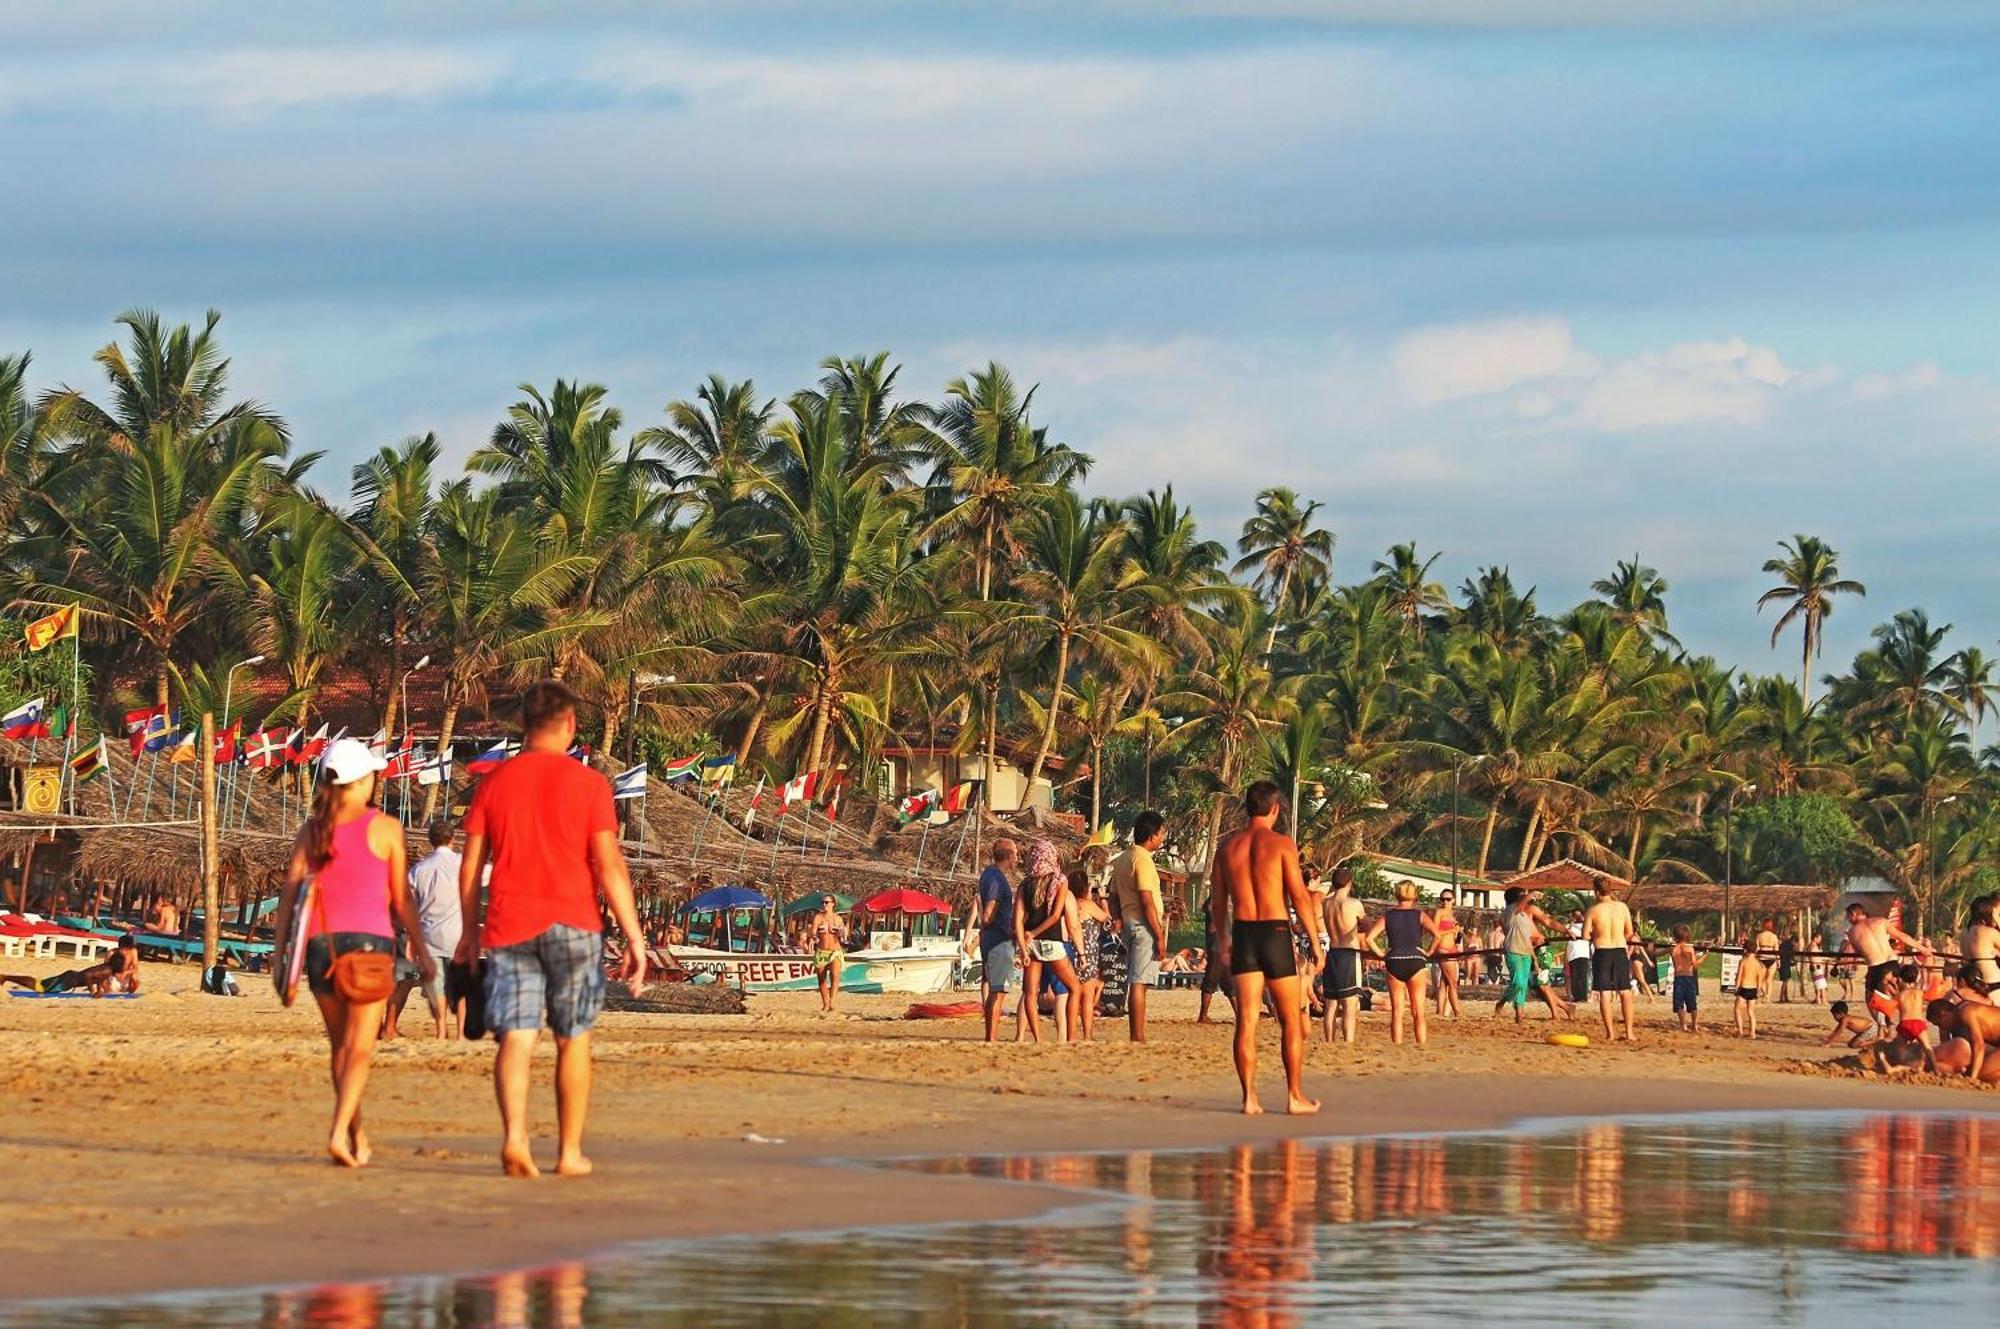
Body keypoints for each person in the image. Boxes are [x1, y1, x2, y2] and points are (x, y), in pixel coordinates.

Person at [454, 681, 647, 1180]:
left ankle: (516, 1137)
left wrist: (469, 932)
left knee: (516, 1037)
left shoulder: (493, 783)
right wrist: (634, 937)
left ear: (523, 725)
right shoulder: (590, 785)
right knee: (573, 1038)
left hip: (509, 924)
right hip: (574, 923)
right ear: (570, 726)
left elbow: (470, 866)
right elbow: (608, 866)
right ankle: (568, 1153)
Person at [273, 738, 433, 1168]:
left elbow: (290, 896)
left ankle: (355, 1133)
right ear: (363, 781)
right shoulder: (385, 828)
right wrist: (422, 949)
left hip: (320, 951)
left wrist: (279, 957)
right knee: (359, 1050)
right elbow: (401, 900)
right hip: (369, 950)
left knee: (340, 1049)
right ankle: (336, 1131)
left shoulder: (311, 830)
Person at [1210, 781, 1324, 1116]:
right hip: (1274, 932)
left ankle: (1249, 1099)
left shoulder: (1227, 848)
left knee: (1246, 1020)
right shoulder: (1282, 845)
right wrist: (1315, 941)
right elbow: (1300, 896)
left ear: (1248, 807)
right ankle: (1293, 1096)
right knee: (1290, 1019)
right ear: (1275, 809)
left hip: (1244, 933)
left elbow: (1218, 902)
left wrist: (1225, 941)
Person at [388, 817, 463, 1041]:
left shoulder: (419, 869)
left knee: (435, 986)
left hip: (428, 934)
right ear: (452, 839)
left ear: (431, 841)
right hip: (458, 933)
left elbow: (406, 900)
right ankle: (460, 1033)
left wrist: (409, 936)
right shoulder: (463, 864)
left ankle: (441, 1030)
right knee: (459, 984)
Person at [1109, 812, 1169, 1043]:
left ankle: (1137, 1033)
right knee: (1139, 981)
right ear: (1152, 835)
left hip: (1129, 923)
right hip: (1143, 925)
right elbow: (1146, 899)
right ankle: (1137, 1035)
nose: (1162, 837)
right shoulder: (1142, 859)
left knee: (1138, 979)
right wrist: (1159, 935)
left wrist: (1118, 918)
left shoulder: (1123, 858)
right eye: (1161, 833)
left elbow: (1113, 896)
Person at [1015, 839, 1082, 1044]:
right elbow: (1054, 916)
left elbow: (1017, 919)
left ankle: (1037, 1039)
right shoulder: (1059, 881)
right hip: (1051, 943)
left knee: (1030, 993)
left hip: (1031, 945)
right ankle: (1070, 1037)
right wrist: (1034, 933)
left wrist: (1023, 946)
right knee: (1074, 989)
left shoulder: (1025, 884)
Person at [1362, 882, 1437, 1046]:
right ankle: (1421, 1044)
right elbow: (1437, 935)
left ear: (1396, 895)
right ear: (1415, 895)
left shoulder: (1388, 915)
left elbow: (1369, 938)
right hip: (1415, 960)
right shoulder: (1420, 915)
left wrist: (1382, 953)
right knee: (1418, 1011)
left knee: (1397, 1010)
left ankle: (1397, 1045)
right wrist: (1429, 952)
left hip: (1394, 960)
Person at [1842, 901, 1931, 1018]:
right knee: (1900, 994)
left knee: (1870, 998)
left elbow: (1860, 952)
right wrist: (1922, 949)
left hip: (1876, 967)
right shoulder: (1881, 921)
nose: (1848, 920)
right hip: (1893, 963)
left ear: (1853, 914)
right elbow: (1902, 936)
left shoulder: (1852, 932)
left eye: (1848, 916)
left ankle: (1883, 1027)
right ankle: (1909, 1018)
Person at [1496, 887, 1570, 1022]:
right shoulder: (1512, 911)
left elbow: (1547, 922)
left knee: (1529, 984)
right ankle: (1504, 1001)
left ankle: (1520, 1013)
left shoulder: (1525, 914)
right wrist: (1532, 894)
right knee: (1520, 983)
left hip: (1532, 949)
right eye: (1523, 896)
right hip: (1515, 950)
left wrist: (1565, 930)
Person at [1583, 877, 1639, 1043]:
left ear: (1596, 892)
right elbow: (1629, 932)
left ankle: (1610, 1033)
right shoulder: (1622, 907)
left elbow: (1585, 935)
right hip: (1620, 951)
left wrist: (1596, 935)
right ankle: (1629, 1032)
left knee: (1605, 993)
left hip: (1603, 951)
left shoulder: (1593, 910)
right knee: (1625, 992)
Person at [1, 933, 139, 996]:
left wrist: (98, 991)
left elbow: (98, 978)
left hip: (70, 978)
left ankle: (7, 977)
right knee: (40, 987)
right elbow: (87, 975)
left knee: (40, 983)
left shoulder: (107, 970)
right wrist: (92, 991)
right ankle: (6, 977)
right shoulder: (106, 970)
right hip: (67, 981)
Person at [975, 839, 1017, 1044]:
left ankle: (991, 1036)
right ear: (1008, 855)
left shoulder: (990, 875)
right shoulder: (996, 879)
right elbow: (988, 914)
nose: (1017, 858)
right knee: (998, 991)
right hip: (998, 939)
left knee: (995, 990)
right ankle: (991, 1037)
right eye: (1015, 854)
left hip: (993, 939)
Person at [1320, 866, 1366, 1044]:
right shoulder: (1354, 904)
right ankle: (1348, 1040)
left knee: (1331, 1002)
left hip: (1333, 951)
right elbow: (1366, 925)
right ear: (1349, 882)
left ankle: (1329, 1040)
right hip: (1348, 951)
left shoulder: (1326, 903)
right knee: (1349, 1002)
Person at [1071, 869, 1110, 1040]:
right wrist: (1102, 899)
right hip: (1088, 953)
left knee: (1072, 995)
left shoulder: (1069, 903)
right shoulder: (1088, 905)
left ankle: (1070, 1034)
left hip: (1071, 952)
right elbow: (1106, 919)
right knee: (1087, 997)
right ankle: (1087, 1035)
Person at [809, 896, 849, 1013]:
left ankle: (831, 1002)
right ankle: (825, 1003)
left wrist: (842, 932)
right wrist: (815, 936)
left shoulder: (838, 919)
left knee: (835, 976)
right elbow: (813, 931)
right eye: (823, 902)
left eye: (827, 902)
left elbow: (843, 935)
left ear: (833, 904)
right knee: (821, 979)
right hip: (821, 951)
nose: (824, 904)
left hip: (835, 951)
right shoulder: (818, 917)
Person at [1431, 889, 1463, 1020]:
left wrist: (1457, 934)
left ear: (1453, 900)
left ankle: (1440, 1012)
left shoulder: (1452, 914)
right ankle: (1457, 1012)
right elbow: (1435, 932)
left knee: (1444, 983)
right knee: (1452, 983)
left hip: (1452, 949)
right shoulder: (1439, 912)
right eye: (1443, 899)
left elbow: (1456, 935)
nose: (1445, 902)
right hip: (1443, 949)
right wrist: (1451, 930)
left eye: (1448, 899)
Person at [1958, 894, 2000, 991]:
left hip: (1969, 978)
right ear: (1988, 912)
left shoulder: (1964, 933)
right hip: (1991, 979)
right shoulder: (1988, 932)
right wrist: (1997, 920)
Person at [1668, 926, 1704, 1033]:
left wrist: (1650, 948)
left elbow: (1656, 953)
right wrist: (1705, 955)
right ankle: (1694, 1025)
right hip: (1688, 977)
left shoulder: (1673, 948)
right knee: (1692, 1003)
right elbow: (1695, 964)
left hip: (1679, 978)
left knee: (1679, 1003)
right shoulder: (1689, 948)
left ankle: (1683, 1025)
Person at [1732, 933, 1765, 1039]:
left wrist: (1736, 988)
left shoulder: (1743, 961)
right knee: (1751, 1012)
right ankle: (1752, 1032)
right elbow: (1760, 980)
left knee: (1737, 1009)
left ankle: (1740, 1030)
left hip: (1744, 988)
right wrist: (1759, 991)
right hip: (1753, 988)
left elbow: (1739, 976)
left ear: (1745, 950)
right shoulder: (1758, 964)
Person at [1564, 911, 1592, 1006]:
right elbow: (1565, 935)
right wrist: (1572, 923)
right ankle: (1576, 996)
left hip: (1583, 953)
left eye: (1579, 915)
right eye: (1575, 915)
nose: (1578, 917)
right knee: (1574, 976)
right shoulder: (1569, 926)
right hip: (1572, 954)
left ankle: (1583, 996)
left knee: (1583, 975)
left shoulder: (1587, 926)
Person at [1776, 935, 1798, 1004]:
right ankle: (1781, 998)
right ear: (1794, 941)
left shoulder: (1784, 943)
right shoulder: (1790, 944)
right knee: (1785, 981)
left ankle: (1785, 997)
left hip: (1783, 963)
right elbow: (1791, 955)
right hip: (1785, 964)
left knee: (1786, 980)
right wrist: (1794, 961)